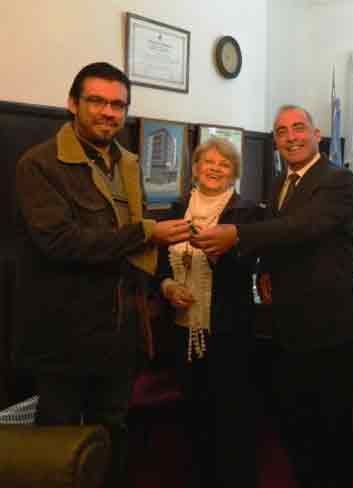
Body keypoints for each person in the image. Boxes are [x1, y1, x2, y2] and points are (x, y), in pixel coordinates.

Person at [14, 62, 191, 486]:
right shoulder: (40, 164)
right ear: (72, 104)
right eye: (97, 101)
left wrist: (158, 284)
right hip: (64, 334)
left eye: (118, 104)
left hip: (120, 330)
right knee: (57, 447)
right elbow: (60, 242)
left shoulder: (126, 163)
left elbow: (128, 248)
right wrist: (147, 232)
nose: (108, 112)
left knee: (112, 435)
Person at [192, 105, 353, 488]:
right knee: (297, 422)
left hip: (328, 326)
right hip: (288, 324)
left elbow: (306, 226)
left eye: (298, 128)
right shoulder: (279, 182)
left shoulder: (337, 179)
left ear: (317, 134)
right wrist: (265, 266)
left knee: (332, 427)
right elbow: (277, 230)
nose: (291, 137)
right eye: (282, 132)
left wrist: (237, 235)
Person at [157, 138, 261, 488]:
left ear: (234, 173)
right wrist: (169, 288)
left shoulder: (246, 212)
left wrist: (219, 253)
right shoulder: (177, 207)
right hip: (182, 327)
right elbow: (159, 267)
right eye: (208, 162)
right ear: (197, 167)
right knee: (194, 409)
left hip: (228, 329)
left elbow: (250, 266)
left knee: (231, 413)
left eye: (224, 164)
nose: (215, 168)